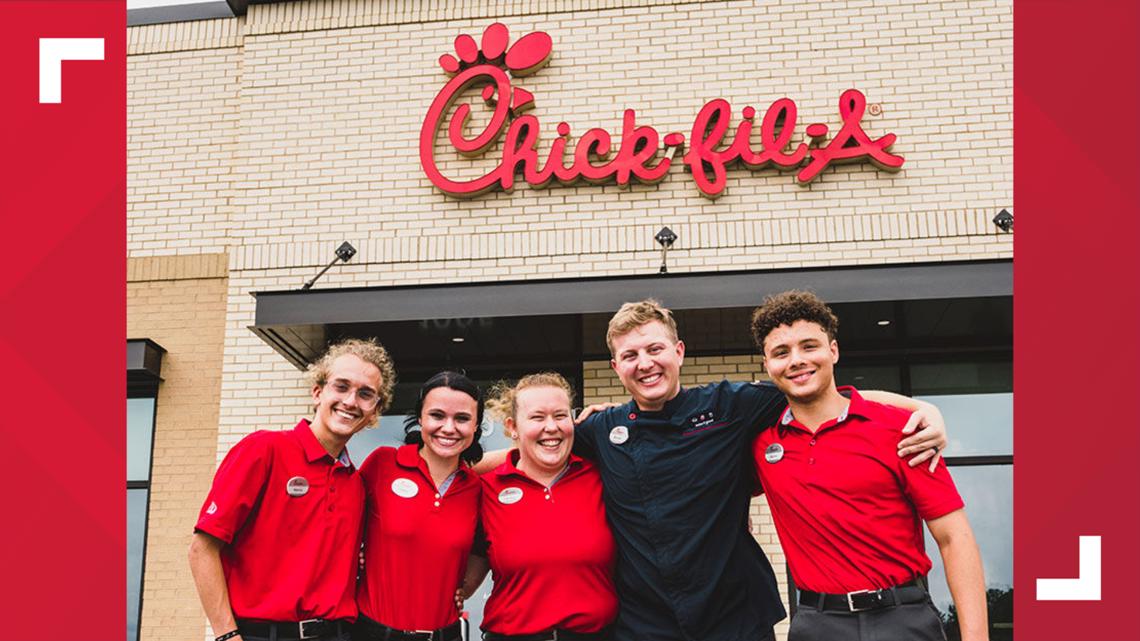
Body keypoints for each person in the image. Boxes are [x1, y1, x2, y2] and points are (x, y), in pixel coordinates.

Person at [544, 299, 948, 641]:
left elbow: (826, 397)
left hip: (735, 618)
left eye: (655, 349)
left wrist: (922, 409)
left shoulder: (731, 406)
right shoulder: (600, 430)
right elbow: (528, 454)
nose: (645, 364)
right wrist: (476, 466)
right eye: (630, 356)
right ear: (616, 367)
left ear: (679, 352)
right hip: (644, 624)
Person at [749, 291, 987, 641]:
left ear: (833, 350)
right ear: (767, 365)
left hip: (902, 620)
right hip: (816, 624)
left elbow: (955, 539)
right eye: (781, 352)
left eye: (809, 346)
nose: (796, 360)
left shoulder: (903, 430)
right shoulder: (761, 443)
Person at [189, 338, 397, 641]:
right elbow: (202, 549)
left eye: (366, 394)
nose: (351, 401)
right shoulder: (264, 450)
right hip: (263, 634)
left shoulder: (355, 484)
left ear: (374, 411)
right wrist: (226, 636)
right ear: (317, 392)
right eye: (341, 386)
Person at [462, 373, 618, 641]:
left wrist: (615, 419)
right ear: (512, 427)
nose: (551, 427)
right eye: (537, 417)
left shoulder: (604, 477)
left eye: (560, 415)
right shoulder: (487, 489)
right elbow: (463, 583)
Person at [353, 371, 484, 641]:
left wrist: (466, 587)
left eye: (462, 418)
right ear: (420, 419)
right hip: (374, 633)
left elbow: (484, 549)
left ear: (476, 426)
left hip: (445, 634)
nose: (449, 428)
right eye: (437, 415)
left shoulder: (476, 488)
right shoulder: (383, 464)